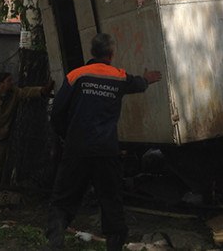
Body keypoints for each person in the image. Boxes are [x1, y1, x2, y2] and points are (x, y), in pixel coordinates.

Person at [46, 33, 162, 251]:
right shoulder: (118, 77)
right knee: (111, 200)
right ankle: (114, 245)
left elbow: (57, 113)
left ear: (92, 52)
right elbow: (137, 84)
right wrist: (147, 79)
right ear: (111, 54)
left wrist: (66, 137)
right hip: (106, 151)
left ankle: (55, 242)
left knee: (64, 197)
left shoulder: (76, 76)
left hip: (77, 149)